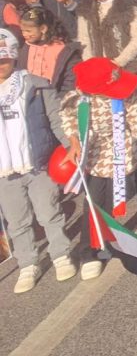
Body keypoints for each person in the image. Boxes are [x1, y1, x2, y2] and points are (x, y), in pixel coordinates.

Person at [61, 57, 137, 278]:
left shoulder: (128, 90)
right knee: (95, 202)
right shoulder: (78, 100)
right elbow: (69, 120)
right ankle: (91, 251)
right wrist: (74, 141)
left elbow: (136, 116)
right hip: (96, 155)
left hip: (129, 148)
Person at [0, 28, 75, 292]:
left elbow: (55, 119)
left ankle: (60, 254)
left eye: (4, 59)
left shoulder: (35, 85)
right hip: (4, 170)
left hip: (37, 162)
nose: (1, 65)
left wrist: (70, 144)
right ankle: (28, 263)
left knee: (48, 211)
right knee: (17, 221)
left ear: (13, 57)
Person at [17, 6, 81, 93]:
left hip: (54, 96)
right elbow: (20, 73)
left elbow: (70, 79)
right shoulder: (26, 48)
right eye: (22, 31)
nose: (24, 34)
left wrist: (62, 96)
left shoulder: (63, 50)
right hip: (29, 96)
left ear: (43, 29)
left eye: (28, 31)